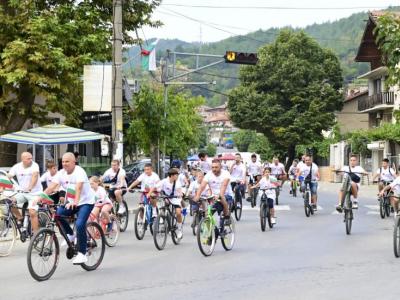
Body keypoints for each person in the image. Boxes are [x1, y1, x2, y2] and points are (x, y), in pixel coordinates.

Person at [44, 152, 95, 264]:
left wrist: (75, 202)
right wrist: (39, 198)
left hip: (86, 202)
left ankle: (82, 253)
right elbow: (51, 187)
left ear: (73, 162)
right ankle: (71, 234)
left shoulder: (79, 171)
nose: (64, 164)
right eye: (63, 161)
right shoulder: (61, 173)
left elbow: (79, 188)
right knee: (58, 214)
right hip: (72, 202)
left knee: (80, 224)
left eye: (67, 161)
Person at [7, 152, 43, 235]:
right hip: (22, 193)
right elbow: (9, 176)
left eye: (31, 158)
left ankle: (36, 233)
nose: (31, 160)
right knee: (9, 201)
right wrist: (4, 183)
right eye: (28, 159)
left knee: (32, 212)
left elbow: (35, 176)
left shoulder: (35, 165)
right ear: (22, 159)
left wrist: (30, 188)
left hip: (35, 193)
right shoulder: (17, 167)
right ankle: (20, 217)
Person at [194, 159, 233, 225]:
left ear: (220, 167)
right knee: (208, 213)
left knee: (221, 198)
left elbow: (224, 186)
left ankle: (227, 215)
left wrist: (219, 195)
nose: (214, 169)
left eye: (216, 167)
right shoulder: (208, 175)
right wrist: (197, 196)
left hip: (226, 195)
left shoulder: (226, 174)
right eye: (212, 167)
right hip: (213, 197)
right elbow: (202, 186)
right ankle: (209, 230)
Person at [157, 168, 184, 239]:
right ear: (172, 176)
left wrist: (180, 194)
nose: (177, 176)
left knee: (178, 213)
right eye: (176, 175)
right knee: (162, 205)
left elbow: (179, 190)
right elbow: (156, 188)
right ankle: (162, 217)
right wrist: (152, 193)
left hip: (175, 198)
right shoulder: (164, 181)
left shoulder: (177, 182)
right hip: (167, 197)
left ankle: (179, 229)